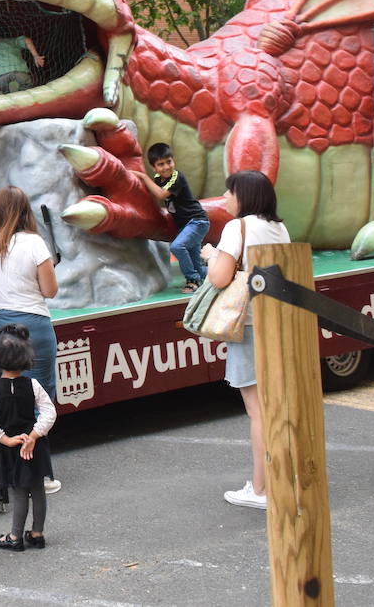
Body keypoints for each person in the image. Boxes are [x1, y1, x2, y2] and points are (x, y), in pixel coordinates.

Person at [201, 169, 290, 510]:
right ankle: (282, 479)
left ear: (245, 196)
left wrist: (211, 258)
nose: (225, 198)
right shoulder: (279, 228)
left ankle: (261, 488)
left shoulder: (236, 228)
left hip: (248, 324)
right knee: (277, 406)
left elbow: (221, 278)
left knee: (258, 412)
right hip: (278, 324)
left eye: (229, 192)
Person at [0, 185, 61, 494]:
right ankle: (40, 474)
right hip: (33, 324)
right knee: (39, 399)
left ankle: (13, 471)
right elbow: (49, 290)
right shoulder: (35, 243)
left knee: (7, 400)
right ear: (26, 212)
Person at [0, 325, 56, 551]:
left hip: (10, 448)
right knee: (38, 489)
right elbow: (49, 412)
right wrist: (34, 435)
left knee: (19, 490)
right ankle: (38, 533)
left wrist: (6, 439)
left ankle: (15, 537)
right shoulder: (32, 384)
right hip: (34, 445)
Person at [137, 142, 211, 293]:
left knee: (177, 246)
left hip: (197, 221)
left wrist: (143, 177)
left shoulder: (176, 177)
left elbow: (161, 194)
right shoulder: (158, 179)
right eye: (160, 164)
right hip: (186, 225)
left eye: (168, 162)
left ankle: (192, 280)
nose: (166, 167)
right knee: (197, 265)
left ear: (173, 160)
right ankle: (222, 272)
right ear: (154, 167)